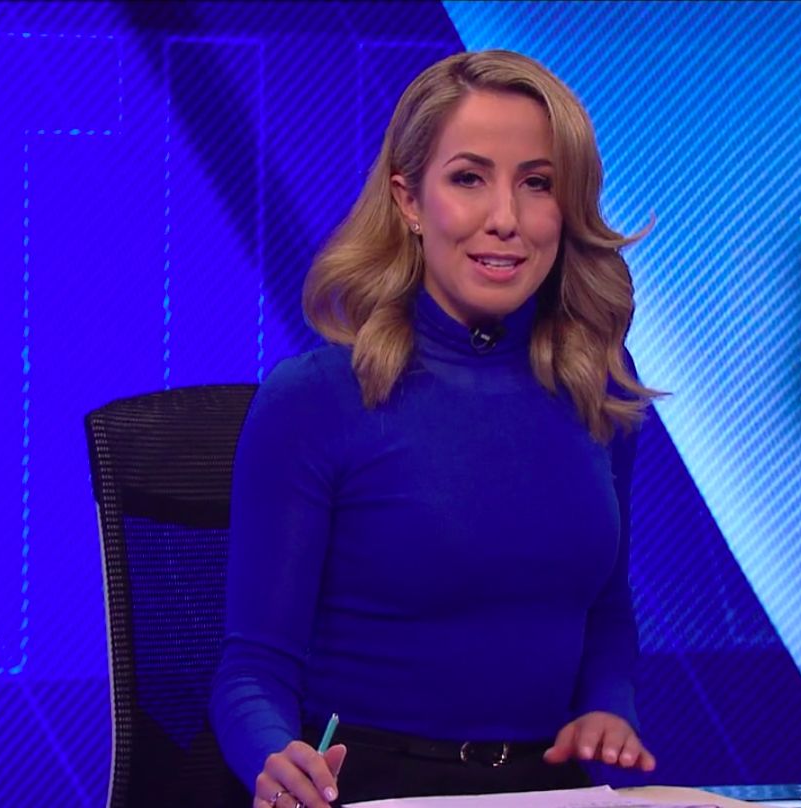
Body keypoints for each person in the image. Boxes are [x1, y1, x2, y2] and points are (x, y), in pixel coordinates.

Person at [211, 49, 663, 808]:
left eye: (538, 184)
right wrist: (274, 757)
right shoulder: (314, 399)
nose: (505, 219)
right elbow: (252, 669)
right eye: (469, 179)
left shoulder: (598, 389)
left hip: (543, 790)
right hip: (364, 787)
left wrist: (607, 707)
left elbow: (605, 612)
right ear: (410, 201)